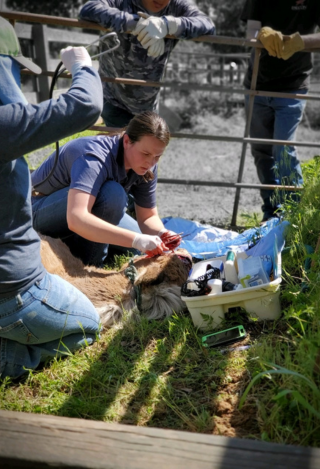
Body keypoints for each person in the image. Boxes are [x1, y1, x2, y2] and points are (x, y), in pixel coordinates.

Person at [0, 16, 103, 380]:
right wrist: (82, 66)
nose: (20, 81)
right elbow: (86, 105)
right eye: (16, 72)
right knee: (89, 323)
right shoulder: (5, 125)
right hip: (9, 288)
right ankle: (9, 359)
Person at [31, 111, 181, 267]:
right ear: (127, 141)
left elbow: (148, 217)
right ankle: (91, 264)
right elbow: (76, 218)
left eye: (157, 156)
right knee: (113, 195)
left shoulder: (147, 167)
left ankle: (78, 245)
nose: (151, 162)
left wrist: (162, 233)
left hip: (83, 207)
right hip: (36, 209)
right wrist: (136, 240)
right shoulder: (94, 157)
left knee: (143, 247)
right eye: (145, 153)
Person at [241, 0, 320, 223]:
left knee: (283, 150)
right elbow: (250, 35)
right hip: (257, 82)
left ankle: (295, 215)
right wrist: (261, 35)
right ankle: (272, 213)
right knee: (261, 151)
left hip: (293, 85)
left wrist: (301, 42)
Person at [79, 0, 216, 128]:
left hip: (147, 105)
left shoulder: (177, 5)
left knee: (146, 151)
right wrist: (137, 24)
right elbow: (88, 9)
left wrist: (168, 25)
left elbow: (207, 24)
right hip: (113, 99)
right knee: (124, 149)